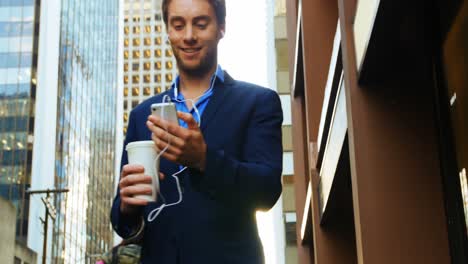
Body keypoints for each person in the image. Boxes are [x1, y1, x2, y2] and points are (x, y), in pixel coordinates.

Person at [110, 0, 283, 263]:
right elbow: (123, 223)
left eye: (200, 24)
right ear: (168, 30)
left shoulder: (258, 102)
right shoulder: (141, 116)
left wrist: (204, 159)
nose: (189, 36)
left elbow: (267, 190)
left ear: (221, 27)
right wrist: (126, 206)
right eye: (178, 25)